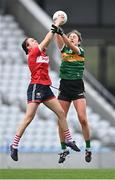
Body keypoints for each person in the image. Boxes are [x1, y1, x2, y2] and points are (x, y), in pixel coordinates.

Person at [10, 17, 80, 161]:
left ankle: (68, 139)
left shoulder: (41, 53)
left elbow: (50, 41)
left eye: (34, 40)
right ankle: (14, 145)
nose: (35, 42)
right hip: (36, 87)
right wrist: (57, 23)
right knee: (29, 117)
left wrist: (58, 31)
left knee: (61, 112)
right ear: (28, 48)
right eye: (32, 42)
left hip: (45, 88)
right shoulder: (33, 53)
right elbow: (47, 39)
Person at [54, 28, 92, 163]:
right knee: (61, 119)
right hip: (64, 87)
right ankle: (64, 149)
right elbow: (60, 43)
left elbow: (70, 45)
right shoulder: (64, 50)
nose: (71, 38)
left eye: (74, 37)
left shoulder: (80, 51)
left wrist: (62, 33)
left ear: (79, 41)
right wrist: (56, 31)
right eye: (70, 36)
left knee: (83, 119)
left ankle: (88, 149)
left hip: (77, 87)